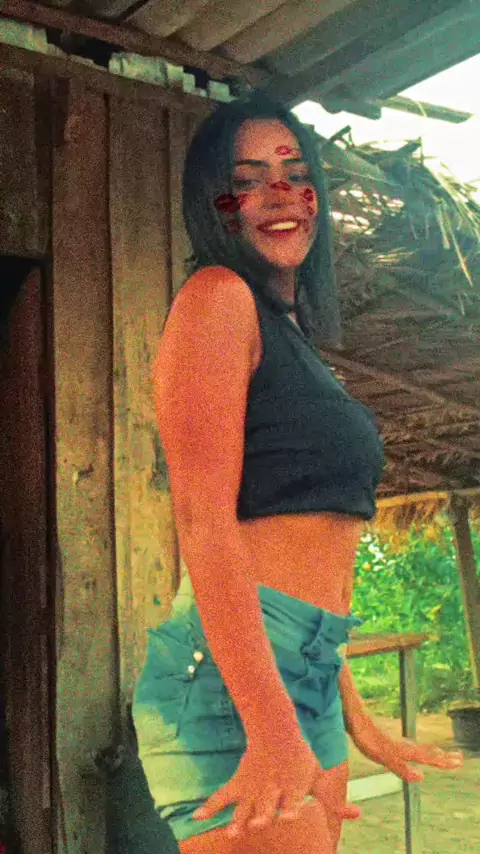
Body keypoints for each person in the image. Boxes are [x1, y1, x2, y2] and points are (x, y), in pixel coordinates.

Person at [132, 95, 463, 854]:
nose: (280, 194)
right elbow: (203, 525)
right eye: (248, 181)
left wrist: (354, 714)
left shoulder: (293, 337)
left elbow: (313, 582)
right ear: (216, 205)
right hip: (237, 682)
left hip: (304, 672)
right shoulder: (216, 299)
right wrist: (273, 725)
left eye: (295, 173)